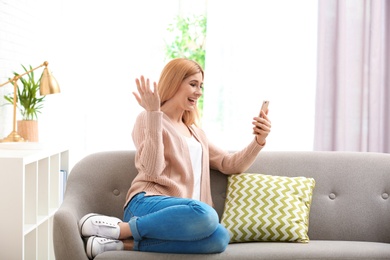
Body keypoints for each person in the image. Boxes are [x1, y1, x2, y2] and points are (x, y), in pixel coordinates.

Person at [78, 58, 271, 259]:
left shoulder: (196, 133)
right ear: (174, 82)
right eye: (193, 84)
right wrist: (154, 113)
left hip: (184, 217)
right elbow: (151, 171)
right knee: (206, 214)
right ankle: (120, 229)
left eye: (201, 86)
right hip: (148, 205)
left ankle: (120, 245)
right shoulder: (148, 118)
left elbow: (228, 164)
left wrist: (259, 140)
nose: (199, 92)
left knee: (220, 237)